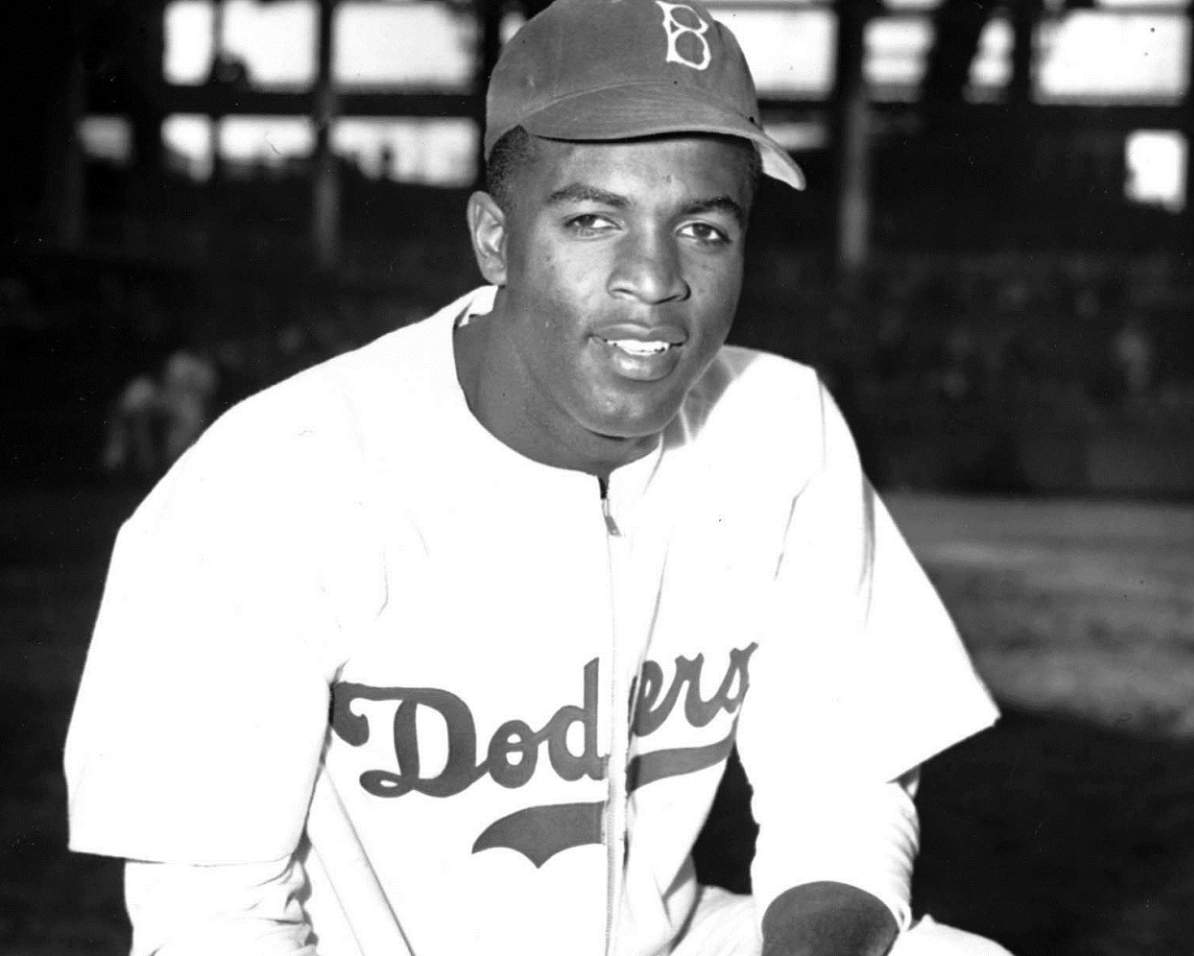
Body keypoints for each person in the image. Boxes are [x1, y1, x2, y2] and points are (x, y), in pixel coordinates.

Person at [65, 1, 1010, 953]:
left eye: (706, 230)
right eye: (594, 219)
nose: (655, 278)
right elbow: (212, 925)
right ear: (493, 237)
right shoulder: (272, 482)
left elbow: (842, 791)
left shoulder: (777, 422)